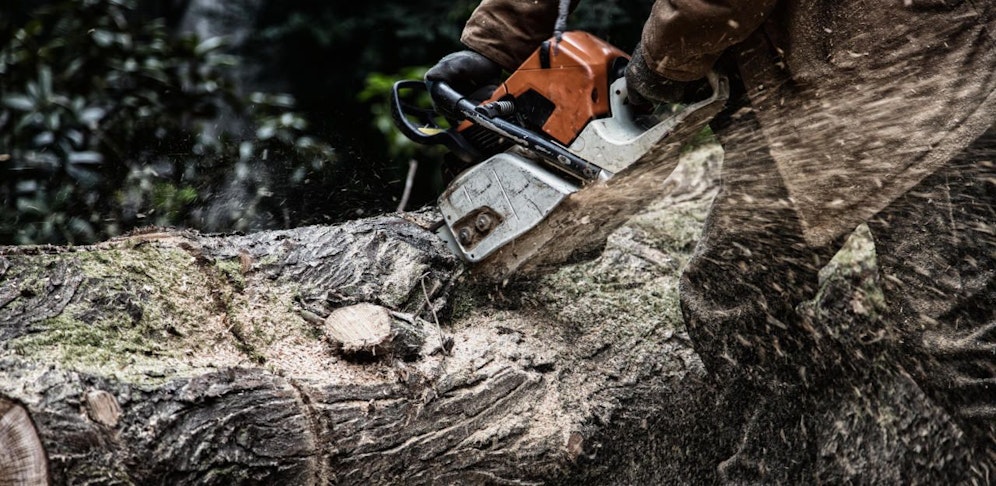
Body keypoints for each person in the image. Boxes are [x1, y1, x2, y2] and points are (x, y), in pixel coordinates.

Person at [426, 0, 996, 480]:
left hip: (925, 73)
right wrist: (501, 40)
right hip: (797, 87)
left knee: (960, 342)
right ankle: (772, 471)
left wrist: (659, 67)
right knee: (735, 300)